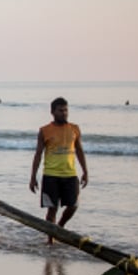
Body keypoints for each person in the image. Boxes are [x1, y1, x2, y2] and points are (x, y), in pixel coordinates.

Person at [29, 97, 89, 245]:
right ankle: (51, 240)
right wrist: (33, 177)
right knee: (52, 210)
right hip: (51, 175)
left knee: (73, 206)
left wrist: (85, 171)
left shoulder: (74, 129)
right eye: (60, 110)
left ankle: (60, 227)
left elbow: (80, 151)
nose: (64, 113)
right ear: (53, 112)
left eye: (66, 110)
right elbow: (38, 154)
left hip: (70, 174)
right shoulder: (44, 131)